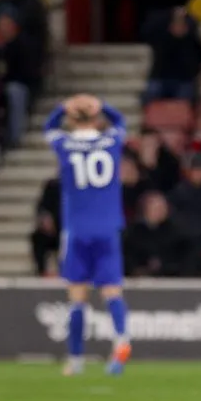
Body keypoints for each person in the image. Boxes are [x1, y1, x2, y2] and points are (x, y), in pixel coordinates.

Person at [45, 94, 132, 376]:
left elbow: (49, 128)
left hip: (78, 229)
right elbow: (121, 122)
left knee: (77, 296)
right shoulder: (111, 141)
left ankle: (76, 359)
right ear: (96, 119)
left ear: (72, 119)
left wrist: (63, 106)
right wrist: (102, 104)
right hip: (107, 227)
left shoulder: (65, 144)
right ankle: (121, 341)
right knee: (112, 291)